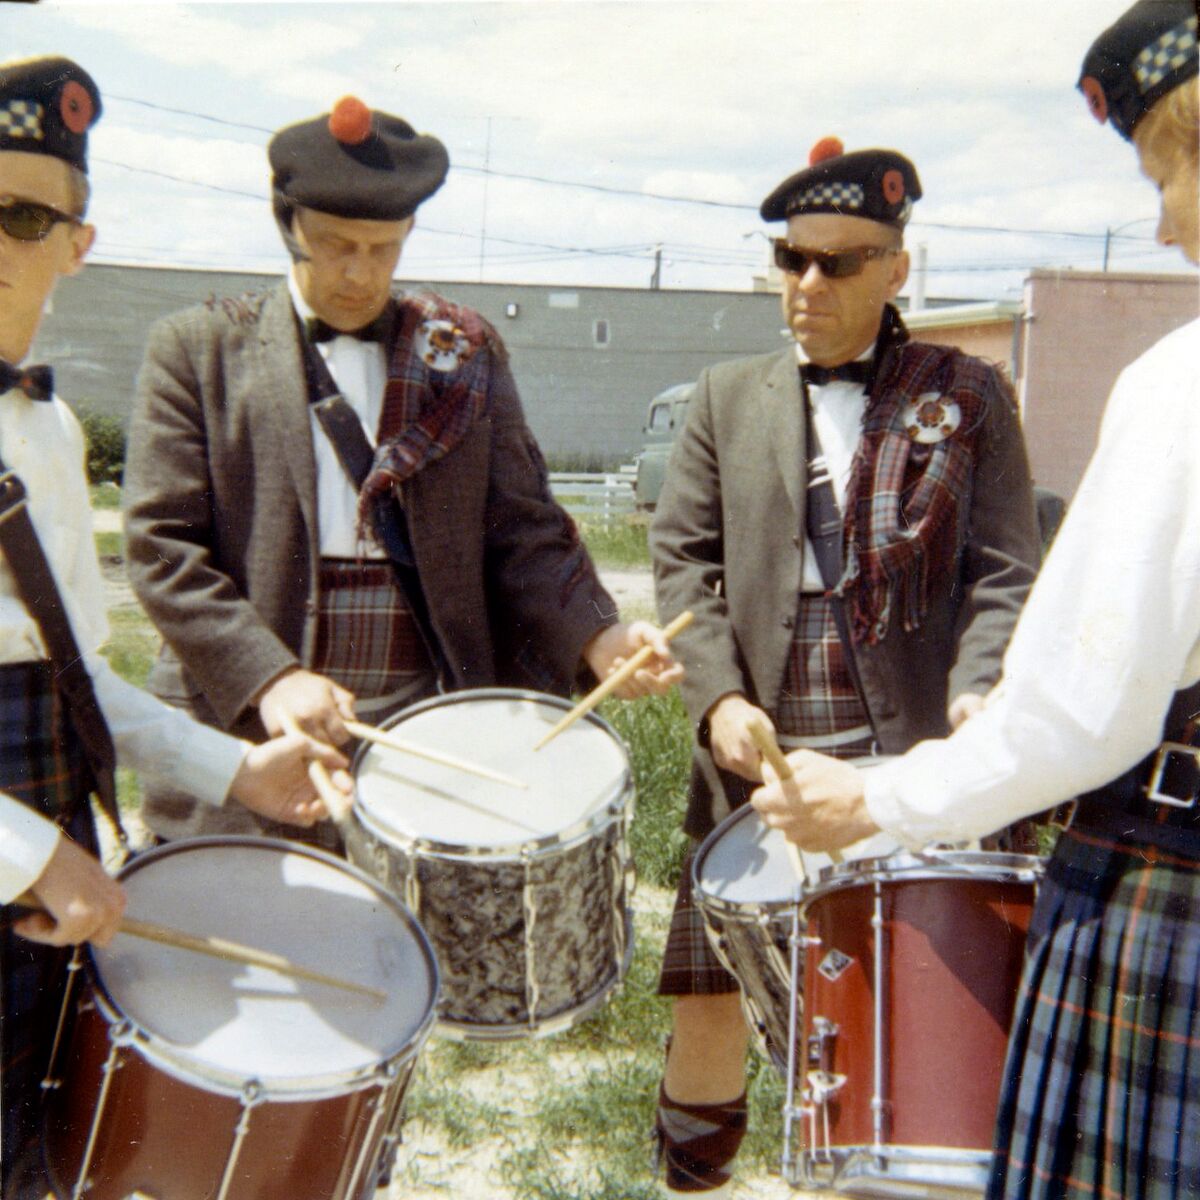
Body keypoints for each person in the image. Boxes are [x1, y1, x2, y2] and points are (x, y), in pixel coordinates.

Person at [751, 3, 1199, 1196]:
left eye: (1166, 175)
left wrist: (886, 796)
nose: (1162, 222)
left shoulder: (1180, 385)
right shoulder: (734, 397)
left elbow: (1082, 708)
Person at [122, 97, 681, 845]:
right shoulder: (196, 349)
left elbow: (523, 528)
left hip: (427, 724)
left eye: (383, 248)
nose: (360, 273)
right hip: (250, 725)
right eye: (335, 245)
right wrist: (269, 677)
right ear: (288, 224)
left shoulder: (462, 352)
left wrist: (596, 637)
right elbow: (162, 546)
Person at [649, 140, 1043, 1194]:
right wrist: (717, 698)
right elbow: (682, 565)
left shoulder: (970, 395)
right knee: (711, 999)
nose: (809, 283)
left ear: (896, 269)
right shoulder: (725, 397)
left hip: (911, 747)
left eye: (841, 262)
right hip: (761, 753)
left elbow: (1006, 569)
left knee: (903, 1001)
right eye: (793, 259)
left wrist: (979, 694)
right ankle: (696, 1172)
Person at [0, 56, 349, 1200]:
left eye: (20, 216)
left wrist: (235, 770)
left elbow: (73, 675)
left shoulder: (45, 433)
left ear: (76, 245)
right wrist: (26, 853)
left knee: (35, 1151)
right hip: (26, 850)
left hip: (43, 844)